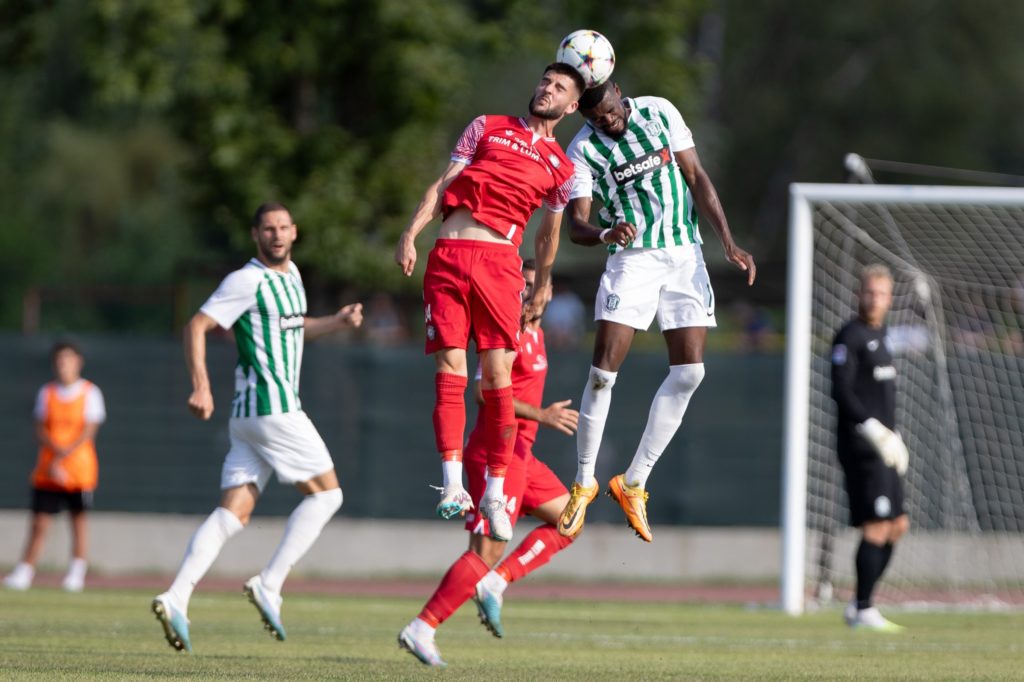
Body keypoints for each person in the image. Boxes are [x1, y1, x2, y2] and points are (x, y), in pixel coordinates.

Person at [151, 202, 363, 653]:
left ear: (294, 232)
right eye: (268, 229)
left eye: (284, 227)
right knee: (328, 495)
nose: (277, 235)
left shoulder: (292, 277)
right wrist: (201, 387)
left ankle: (176, 596)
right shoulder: (245, 280)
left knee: (233, 514)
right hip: (274, 408)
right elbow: (196, 326)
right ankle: (270, 583)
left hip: (248, 418)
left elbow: (293, 328)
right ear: (255, 235)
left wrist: (337, 322)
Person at [557, 80, 756, 542]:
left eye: (609, 111)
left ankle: (633, 482)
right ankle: (584, 482)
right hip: (633, 261)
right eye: (596, 119)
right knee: (603, 372)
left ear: (619, 93)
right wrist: (606, 234)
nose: (606, 121)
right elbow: (577, 225)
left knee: (690, 373)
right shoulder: (583, 150)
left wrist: (727, 239)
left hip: (685, 253)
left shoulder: (660, 111)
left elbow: (696, 175)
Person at [394, 63, 585, 543]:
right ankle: (454, 485)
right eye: (544, 81)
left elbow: (549, 232)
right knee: (449, 370)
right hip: (449, 255)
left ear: (572, 105)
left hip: (501, 265)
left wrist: (542, 284)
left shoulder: (562, 167)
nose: (546, 89)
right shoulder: (487, 126)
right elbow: (443, 184)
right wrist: (411, 233)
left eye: (559, 87)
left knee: (498, 376)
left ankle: (495, 494)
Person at [398, 260, 580, 667]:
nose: (531, 294)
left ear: (549, 293)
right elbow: (483, 392)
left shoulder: (538, 332)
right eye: (524, 286)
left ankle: (496, 583)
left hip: (522, 456)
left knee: (570, 518)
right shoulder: (506, 333)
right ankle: (422, 626)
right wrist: (542, 414)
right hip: (494, 453)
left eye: (538, 287)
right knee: (485, 549)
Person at [831, 264, 909, 632]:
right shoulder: (850, 336)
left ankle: (861, 604)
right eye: (868, 292)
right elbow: (842, 391)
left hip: (884, 445)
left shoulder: (884, 336)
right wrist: (872, 430)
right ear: (858, 293)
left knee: (897, 525)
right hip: (862, 446)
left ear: (889, 299)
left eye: (880, 293)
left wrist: (893, 436)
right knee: (877, 525)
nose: (873, 299)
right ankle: (863, 608)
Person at [3, 341, 106, 593]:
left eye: (68, 359)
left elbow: (89, 429)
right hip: (48, 469)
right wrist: (55, 455)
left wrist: (64, 454)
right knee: (39, 523)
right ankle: (25, 571)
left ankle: (76, 572)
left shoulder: (90, 392)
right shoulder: (46, 392)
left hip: (78, 471)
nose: (64, 365)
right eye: (59, 360)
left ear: (78, 362)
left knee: (78, 521)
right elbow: (39, 426)